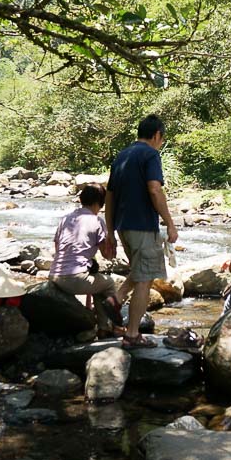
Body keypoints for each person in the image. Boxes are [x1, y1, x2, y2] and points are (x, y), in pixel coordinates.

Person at [102, 114, 178, 348]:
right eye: (162, 139)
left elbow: (110, 196)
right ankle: (132, 335)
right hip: (143, 226)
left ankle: (117, 298)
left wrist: (110, 232)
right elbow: (155, 190)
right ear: (157, 135)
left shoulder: (122, 156)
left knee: (140, 270)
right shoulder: (151, 154)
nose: (161, 143)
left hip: (124, 226)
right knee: (145, 280)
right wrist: (170, 223)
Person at [49, 184, 124, 337]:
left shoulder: (65, 219)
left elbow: (58, 249)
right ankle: (114, 326)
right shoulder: (96, 221)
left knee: (97, 282)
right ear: (99, 202)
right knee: (108, 283)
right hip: (73, 279)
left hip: (54, 275)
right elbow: (107, 255)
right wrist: (113, 243)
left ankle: (103, 327)